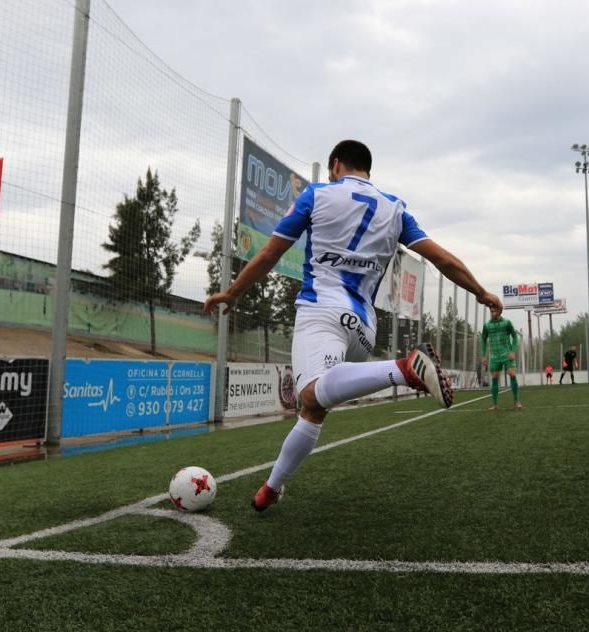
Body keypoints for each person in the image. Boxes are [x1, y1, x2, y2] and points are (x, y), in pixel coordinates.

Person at [204, 140, 501, 512]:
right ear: (368, 171)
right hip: (362, 326)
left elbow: (269, 253)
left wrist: (232, 292)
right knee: (314, 409)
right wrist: (480, 290)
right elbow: (441, 259)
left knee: (311, 393)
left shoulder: (317, 194)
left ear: (335, 164)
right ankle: (271, 489)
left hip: (322, 310)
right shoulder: (395, 208)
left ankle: (405, 368)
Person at [481, 303, 521, 410]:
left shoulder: (507, 323)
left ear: (499, 311)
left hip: (507, 354)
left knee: (512, 373)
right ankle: (494, 404)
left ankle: (516, 401)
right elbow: (483, 340)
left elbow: (515, 336)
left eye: (494, 311)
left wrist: (513, 351)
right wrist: (483, 355)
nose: (492, 313)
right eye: (491, 311)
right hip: (494, 356)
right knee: (494, 377)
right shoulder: (487, 325)